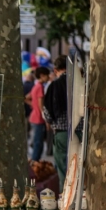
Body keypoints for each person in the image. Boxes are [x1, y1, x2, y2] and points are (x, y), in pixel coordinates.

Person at [43, 55, 69, 190]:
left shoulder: (54, 86)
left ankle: (65, 199)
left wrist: (49, 121)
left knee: (63, 169)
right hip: (82, 134)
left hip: (62, 134)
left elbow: (47, 112)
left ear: (55, 69)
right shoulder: (82, 83)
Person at [28, 66, 50, 161]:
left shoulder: (35, 87)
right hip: (39, 119)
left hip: (33, 117)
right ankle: (35, 162)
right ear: (42, 75)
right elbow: (41, 106)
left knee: (37, 141)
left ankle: (34, 161)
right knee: (38, 142)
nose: (48, 77)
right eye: (47, 75)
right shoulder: (40, 87)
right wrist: (46, 120)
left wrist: (33, 105)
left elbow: (26, 98)